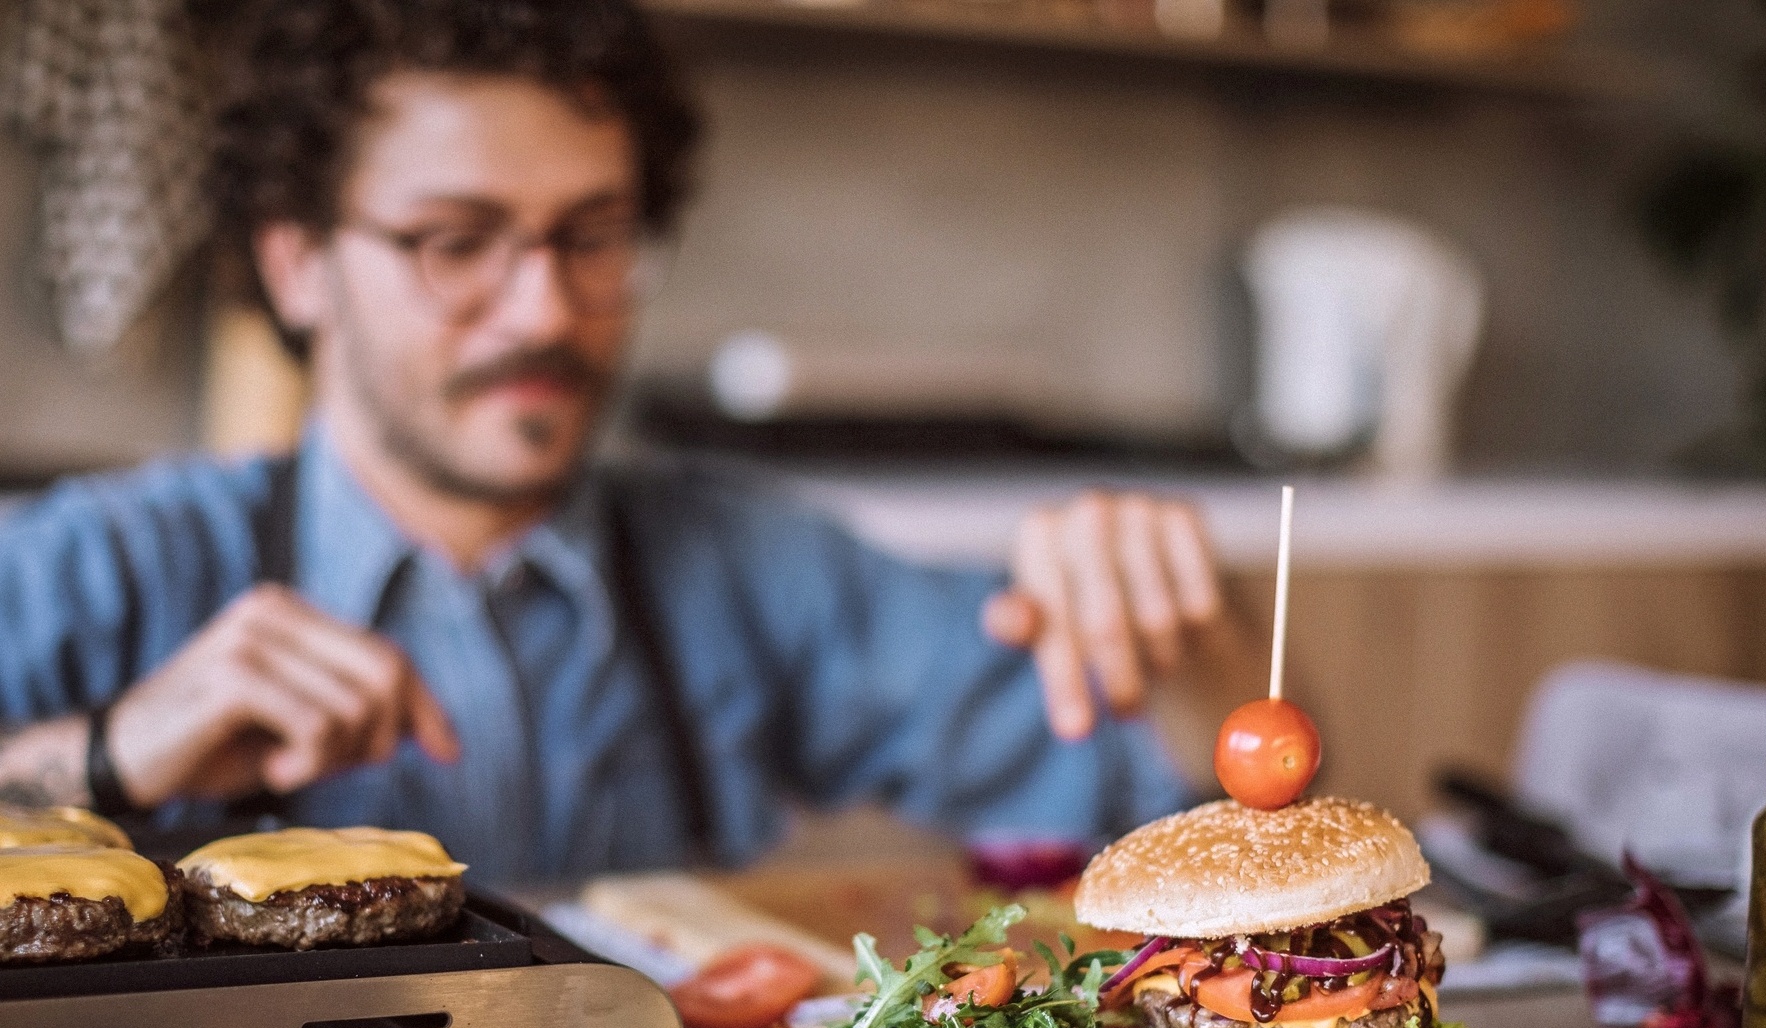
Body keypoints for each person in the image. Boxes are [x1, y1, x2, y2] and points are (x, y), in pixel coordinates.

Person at [0, 0, 1243, 882]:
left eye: (589, 235)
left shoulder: (755, 568)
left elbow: (1194, 798)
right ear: (299, 262)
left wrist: (1178, 626)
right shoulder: (106, 567)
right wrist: (102, 757)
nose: (545, 308)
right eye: (456, 240)